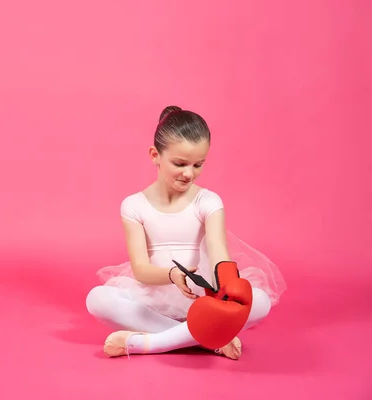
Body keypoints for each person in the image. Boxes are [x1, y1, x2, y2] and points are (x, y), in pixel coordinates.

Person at [85, 105, 287, 360]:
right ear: (155, 155)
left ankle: (152, 343)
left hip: (203, 298)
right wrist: (172, 275)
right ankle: (207, 339)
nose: (189, 173)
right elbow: (141, 270)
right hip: (152, 296)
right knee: (98, 299)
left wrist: (226, 290)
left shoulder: (208, 201)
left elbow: (219, 257)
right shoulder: (134, 205)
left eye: (198, 164)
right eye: (179, 163)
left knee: (260, 302)